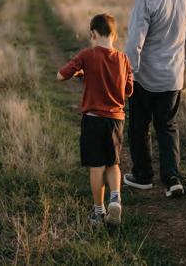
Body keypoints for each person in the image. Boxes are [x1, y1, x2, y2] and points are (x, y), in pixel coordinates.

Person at [124, 0, 186, 198]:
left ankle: (143, 176)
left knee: (138, 126)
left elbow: (135, 40)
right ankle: (172, 179)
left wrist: (129, 71)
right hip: (173, 77)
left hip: (144, 77)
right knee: (167, 127)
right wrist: (185, 59)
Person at [57, 14, 133, 225]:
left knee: (96, 166)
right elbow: (128, 90)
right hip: (116, 120)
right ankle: (115, 199)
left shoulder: (87, 55)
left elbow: (61, 75)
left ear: (92, 34)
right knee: (113, 163)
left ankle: (98, 211)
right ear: (114, 36)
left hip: (93, 120)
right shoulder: (124, 59)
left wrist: (78, 72)